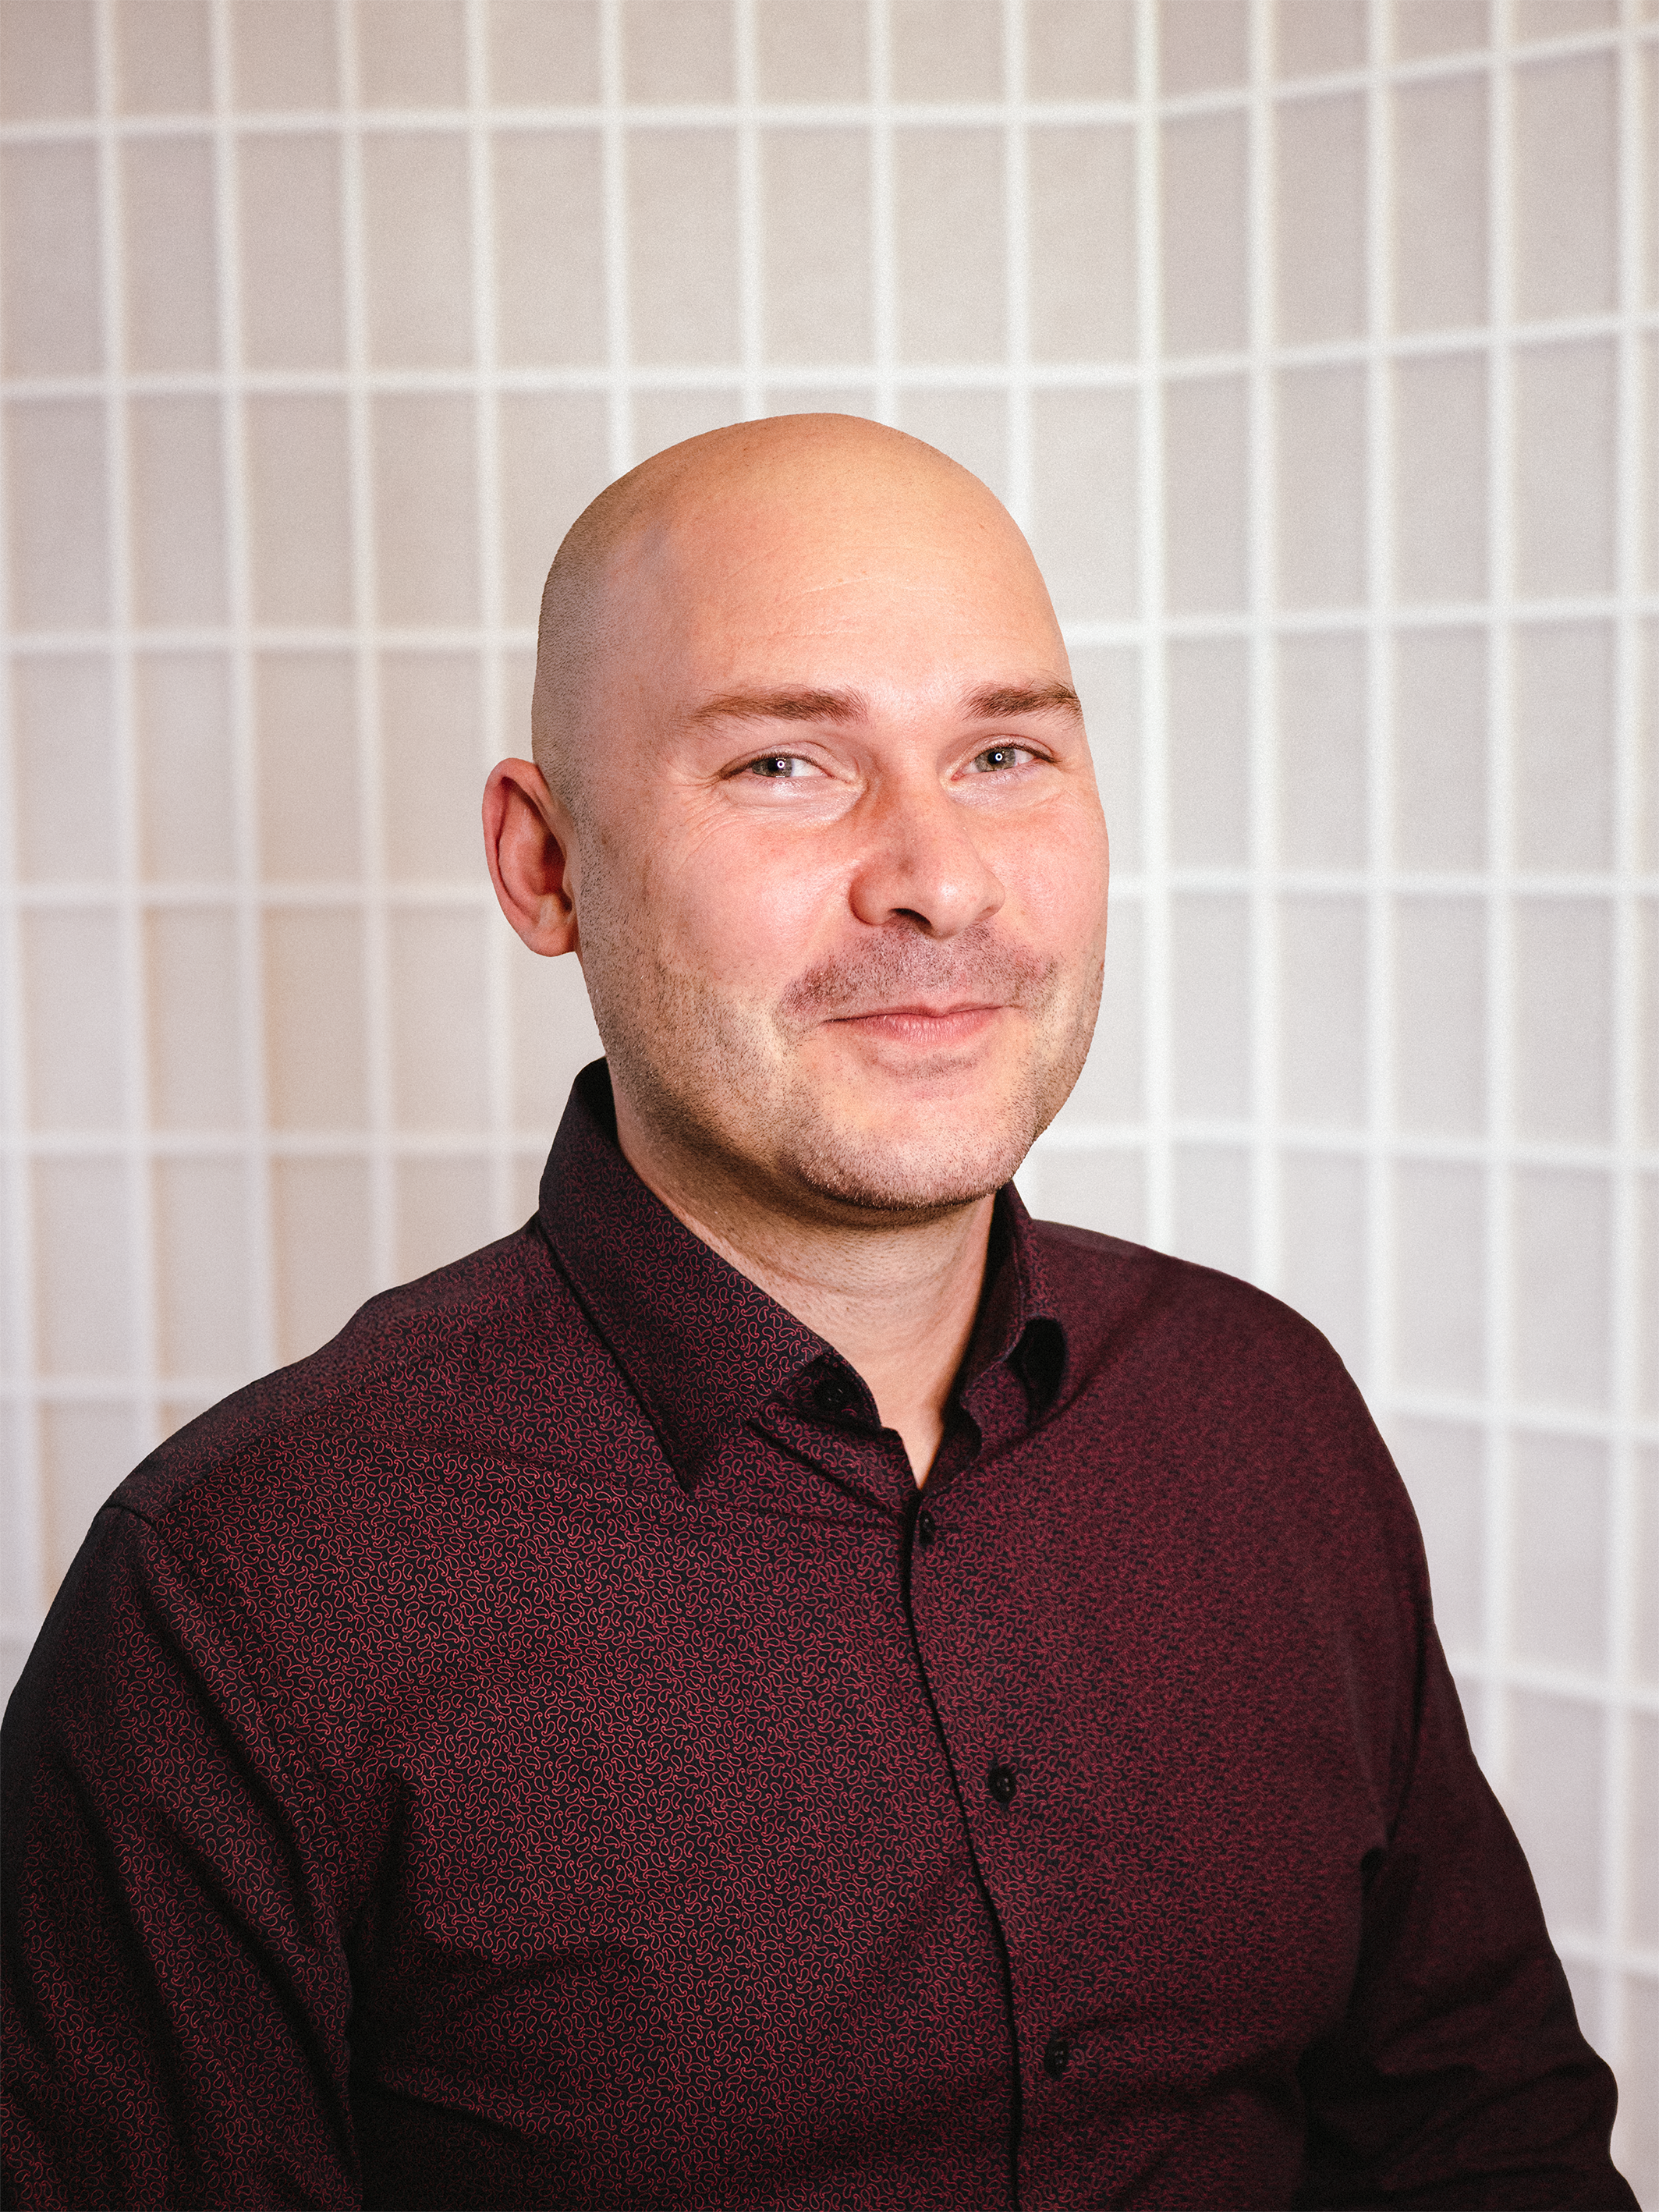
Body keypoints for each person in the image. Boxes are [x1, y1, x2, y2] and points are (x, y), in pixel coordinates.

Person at [0, 416, 1634, 2210]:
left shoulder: (1267, 1412)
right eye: (787, 763)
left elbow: (1488, 2148)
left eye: (1004, 749)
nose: (937, 875)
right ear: (544, 865)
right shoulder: (237, 1599)